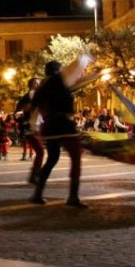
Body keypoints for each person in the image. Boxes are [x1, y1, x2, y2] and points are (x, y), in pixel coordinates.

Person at [30, 53, 95, 208]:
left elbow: (36, 111)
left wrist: (35, 127)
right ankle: (73, 197)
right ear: (58, 70)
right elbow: (77, 65)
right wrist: (87, 57)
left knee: (52, 159)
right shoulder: (58, 80)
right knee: (76, 157)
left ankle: (37, 194)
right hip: (63, 124)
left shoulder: (42, 88)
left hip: (49, 126)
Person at [14, 77, 44, 185]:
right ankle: (35, 175)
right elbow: (16, 115)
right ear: (32, 85)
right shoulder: (26, 98)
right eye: (37, 83)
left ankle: (36, 174)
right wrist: (22, 113)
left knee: (41, 152)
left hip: (39, 128)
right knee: (40, 151)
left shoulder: (40, 97)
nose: (39, 85)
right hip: (30, 129)